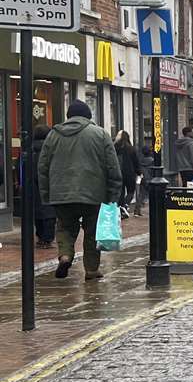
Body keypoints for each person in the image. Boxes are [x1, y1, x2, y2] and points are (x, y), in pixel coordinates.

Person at [38, 101, 123, 281]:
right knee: (92, 232)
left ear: (68, 116)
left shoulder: (53, 135)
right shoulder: (100, 134)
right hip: (93, 194)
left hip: (61, 194)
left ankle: (66, 255)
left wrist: (46, 194)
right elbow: (113, 167)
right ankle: (91, 270)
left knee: (65, 227)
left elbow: (43, 167)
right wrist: (114, 194)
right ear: (88, 116)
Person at [30, 125, 56, 247]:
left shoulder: (29, 149)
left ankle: (40, 236)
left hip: (33, 185)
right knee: (49, 211)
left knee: (38, 211)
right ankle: (47, 238)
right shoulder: (50, 149)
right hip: (47, 183)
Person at [114, 130, 141, 217]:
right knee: (130, 191)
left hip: (118, 173)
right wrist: (139, 172)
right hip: (129, 173)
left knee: (121, 193)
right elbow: (135, 162)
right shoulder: (131, 148)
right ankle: (125, 206)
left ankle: (121, 209)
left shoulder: (114, 147)